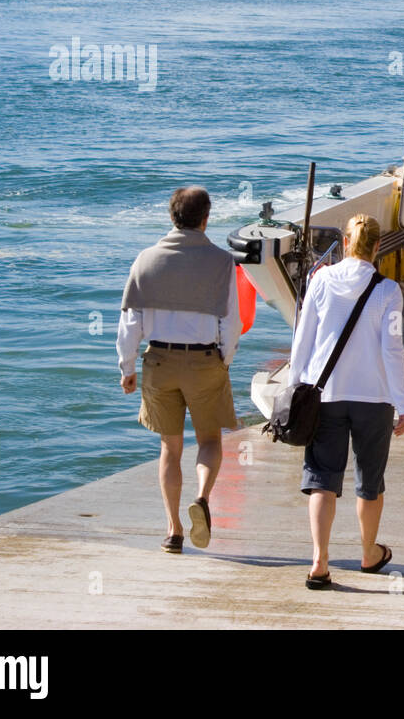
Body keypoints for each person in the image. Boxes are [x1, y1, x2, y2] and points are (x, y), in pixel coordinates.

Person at [289, 213, 404, 589]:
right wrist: (403, 402)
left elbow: (303, 338)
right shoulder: (389, 291)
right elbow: (393, 350)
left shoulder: (320, 280)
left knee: (323, 480)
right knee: (369, 481)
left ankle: (319, 561)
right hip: (374, 399)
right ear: (377, 247)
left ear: (345, 242)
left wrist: (296, 386)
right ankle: (368, 553)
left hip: (324, 395)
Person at [117, 186, 240, 554]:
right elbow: (230, 322)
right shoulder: (221, 262)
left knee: (169, 448)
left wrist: (127, 366)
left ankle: (173, 531)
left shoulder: (146, 260)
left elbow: (130, 322)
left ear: (172, 217)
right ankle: (201, 497)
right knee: (209, 441)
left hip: (159, 362)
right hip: (204, 361)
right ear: (206, 218)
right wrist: (224, 358)